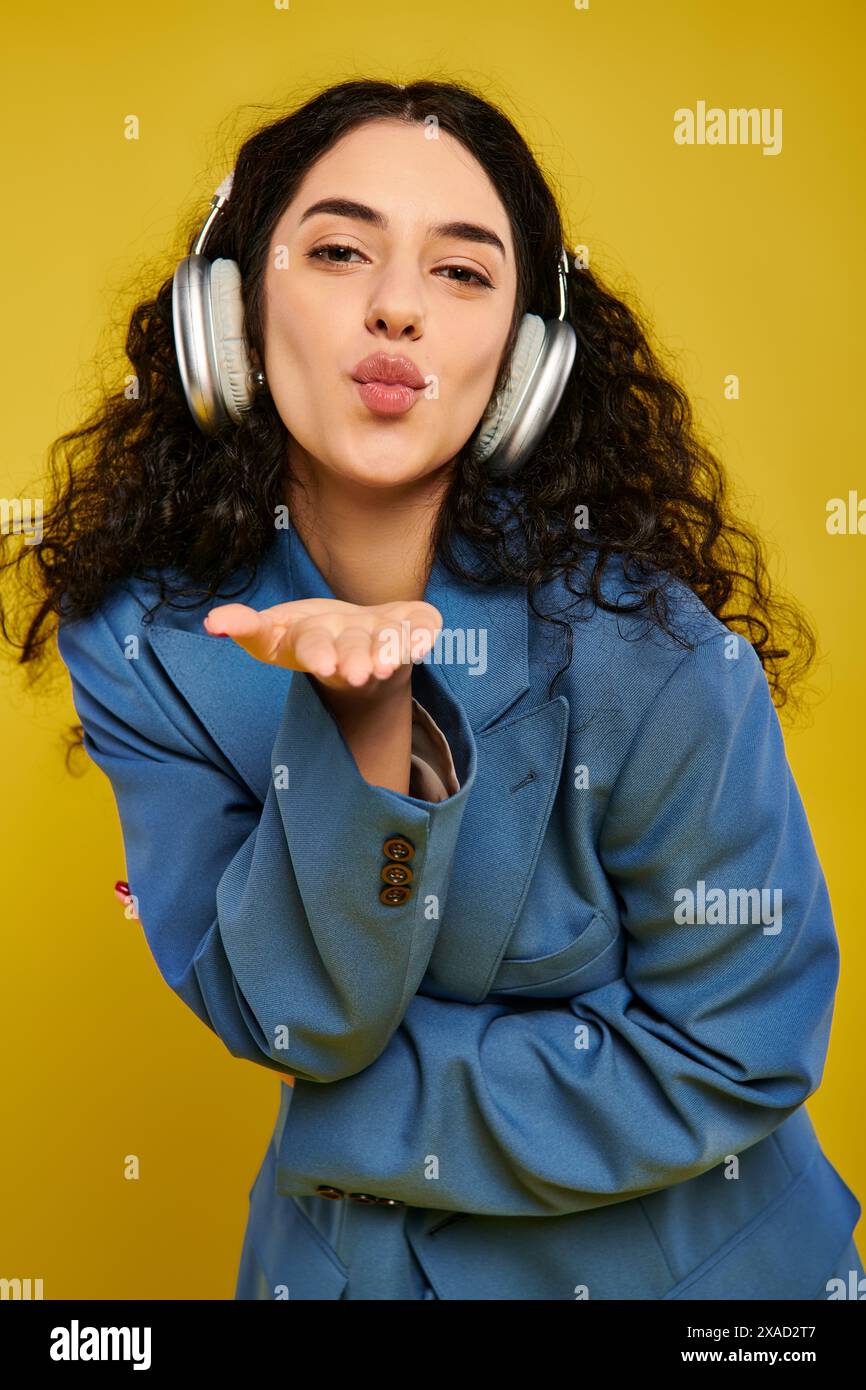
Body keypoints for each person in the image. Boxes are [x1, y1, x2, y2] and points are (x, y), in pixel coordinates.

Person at [7, 78, 863, 1299]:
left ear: (522, 365)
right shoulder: (142, 640)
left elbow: (738, 1049)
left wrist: (347, 1131)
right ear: (229, 310)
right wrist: (362, 729)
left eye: (462, 273)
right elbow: (304, 1020)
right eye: (340, 250)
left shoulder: (652, 652)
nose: (397, 308)